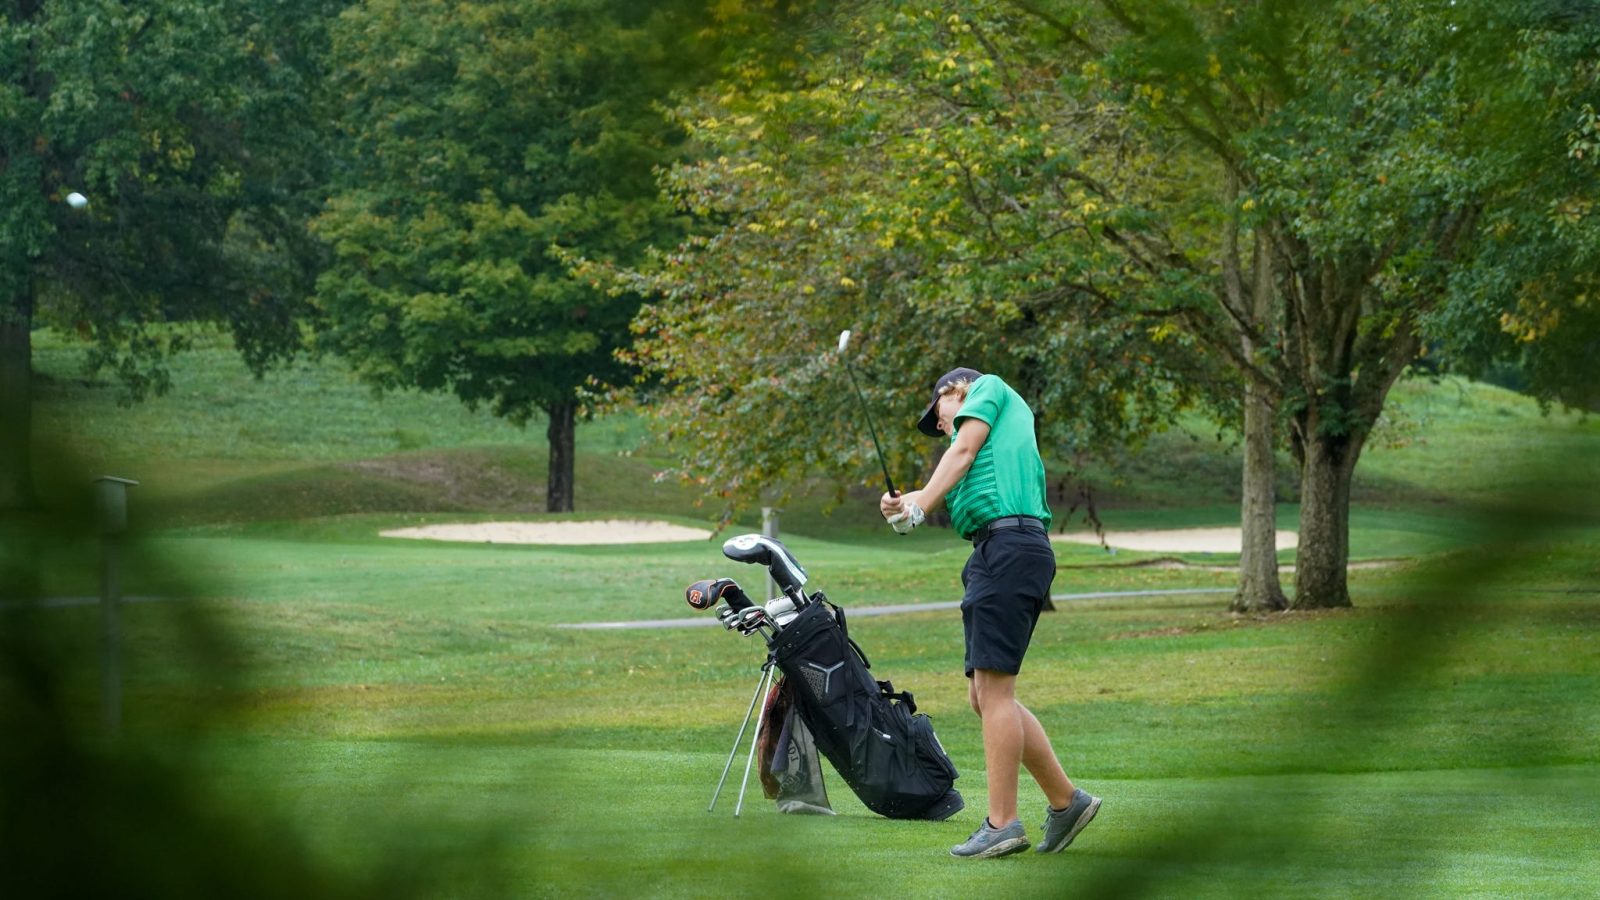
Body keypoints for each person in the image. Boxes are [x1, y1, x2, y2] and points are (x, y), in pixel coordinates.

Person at [880, 366, 1100, 859]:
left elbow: (961, 451)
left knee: (997, 693)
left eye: (936, 414)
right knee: (985, 696)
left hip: (1010, 547)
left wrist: (918, 506)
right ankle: (1067, 802)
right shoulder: (978, 451)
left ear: (955, 391)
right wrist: (902, 506)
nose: (940, 427)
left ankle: (1002, 823)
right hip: (994, 552)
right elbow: (945, 479)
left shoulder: (989, 389)